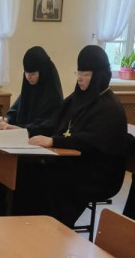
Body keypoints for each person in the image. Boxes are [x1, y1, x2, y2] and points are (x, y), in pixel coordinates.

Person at [25, 45, 127, 227]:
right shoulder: (77, 97)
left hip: (96, 173)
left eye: (85, 74)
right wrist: (28, 130)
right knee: (31, 171)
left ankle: (51, 230)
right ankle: (29, 226)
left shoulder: (110, 107)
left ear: (99, 76)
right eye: (78, 73)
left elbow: (89, 140)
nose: (79, 78)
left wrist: (53, 141)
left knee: (52, 181)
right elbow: (55, 121)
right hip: (72, 162)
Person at [0, 46, 63, 215]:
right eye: (26, 73)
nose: (29, 77)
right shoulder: (28, 88)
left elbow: (48, 125)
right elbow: (15, 109)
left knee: (12, 161)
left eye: (33, 73)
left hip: (36, 146)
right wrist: (6, 119)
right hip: (19, 139)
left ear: (43, 72)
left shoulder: (53, 96)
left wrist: (23, 129)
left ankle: (8, 209)